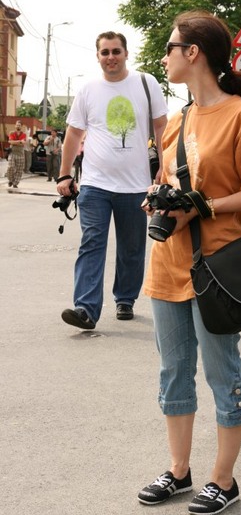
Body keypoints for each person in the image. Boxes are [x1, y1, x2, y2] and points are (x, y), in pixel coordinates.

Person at [138, 11, 241, 515]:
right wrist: (157, 198)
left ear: (192, 52)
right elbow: (168, 180)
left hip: (217, 268)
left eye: (170, 47)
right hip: (167, 264)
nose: (165, 57)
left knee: (223, 373)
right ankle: (179, 471)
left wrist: (203, 207)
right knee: (173, 371)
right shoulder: (178, 120)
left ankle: (224, 480)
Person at [57, 31, 168, 330]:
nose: (111, 57)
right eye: (105, 52)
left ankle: (125, 299)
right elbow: (74, 134)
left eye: (116, 51)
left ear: (126, 53)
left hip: (136, 185)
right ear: (97, 56)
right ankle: (85, 309)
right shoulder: (88, 90)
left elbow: (162, 127)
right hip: (95, 184)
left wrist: (165, 167)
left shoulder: (146, 83)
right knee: (91, 243)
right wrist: (64, 174)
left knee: (132, 247)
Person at [7, 120, 26, 188]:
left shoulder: (24, 134)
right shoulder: (12, 133)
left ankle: (15, 183)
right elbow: (10, 142)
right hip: (12, 153)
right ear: (15, 126)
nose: (18, 126)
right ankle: (10, 180)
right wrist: (19, 141)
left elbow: (23, 143)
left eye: (19, 125)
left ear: (21, 126)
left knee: (19, 169)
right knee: (10, 167)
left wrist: (15, 142)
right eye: (17, 125)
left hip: (20, 154)